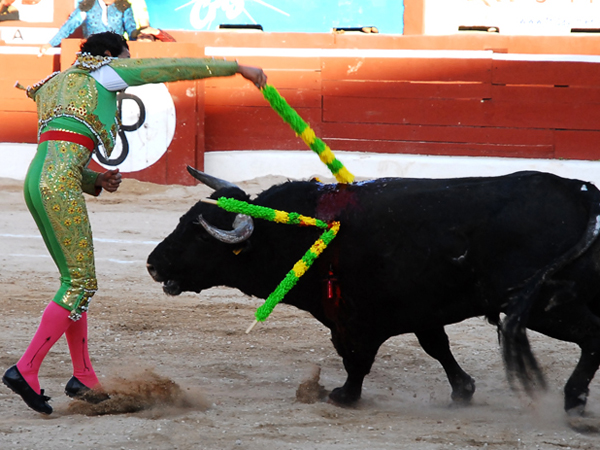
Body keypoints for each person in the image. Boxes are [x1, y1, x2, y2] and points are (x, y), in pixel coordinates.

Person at [3, 31, 267, 415]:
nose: (129, 62)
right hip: (57, 185)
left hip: (36, 181)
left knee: (75, 283)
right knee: (80, 283)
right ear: (111, 54)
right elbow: (170, 67)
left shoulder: (55, 82)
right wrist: (235, 68)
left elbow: (60, 148)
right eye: (127, 56)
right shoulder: (105, 71)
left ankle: (85, 377)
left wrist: (95, 180)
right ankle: (25, 369)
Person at [39, 0, 137, 56]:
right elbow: (69, 25)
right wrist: (51, 44)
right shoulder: (88, 5)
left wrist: (139, 37)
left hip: (117, 49)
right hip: (93, 50)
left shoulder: (123, 6)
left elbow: (131, 28)